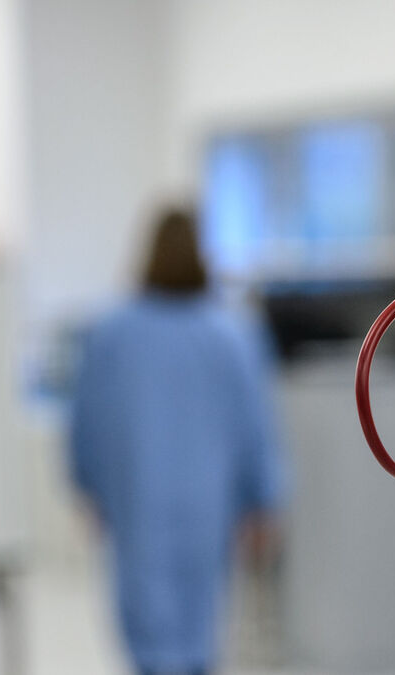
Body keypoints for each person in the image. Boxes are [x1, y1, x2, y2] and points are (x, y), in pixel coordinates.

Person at [70, 207, 286, 675]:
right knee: (197, 623)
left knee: (147, 623)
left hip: (137, 503)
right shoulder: (230, 336)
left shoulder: (111, 334)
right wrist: (263, 501)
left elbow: (85, 424)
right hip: (208, 506)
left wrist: (88, 489)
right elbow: (256, 428)